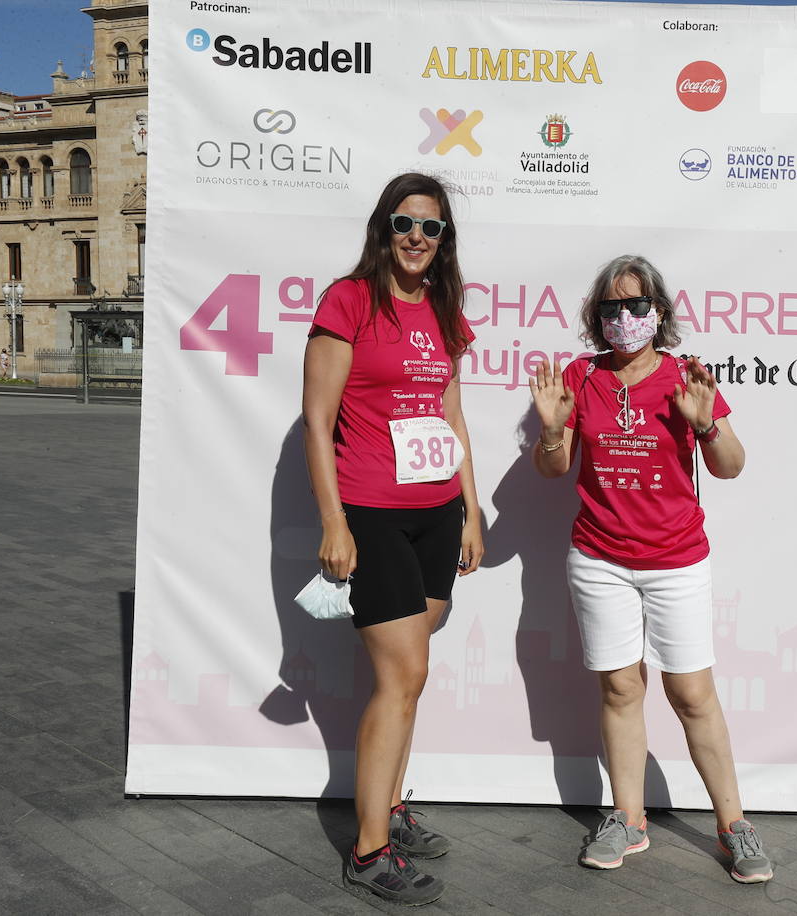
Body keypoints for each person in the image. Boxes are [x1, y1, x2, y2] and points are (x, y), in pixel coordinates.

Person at [528, 255, 773, 884]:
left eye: (638, 306)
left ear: (659, 313)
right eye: (612, 307)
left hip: (676, 560)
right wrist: (553, 431)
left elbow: (732, 465)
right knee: (620, 688)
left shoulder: (683, 377)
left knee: (691, 693)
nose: (625, 318)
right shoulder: (580, 377)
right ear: (597, 316)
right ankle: (628, 818)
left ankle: (734, 825)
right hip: (600, 558)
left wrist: (708, 421)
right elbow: (554, 469)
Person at [302, 172, 482, 906]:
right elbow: (317, 420)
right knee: (402, 675)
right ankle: (369, 848)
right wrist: (334, 520)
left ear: (444, 242)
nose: (417, 237)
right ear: (385, 228)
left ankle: (392, 807)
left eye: (431, 228)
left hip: (437, 510)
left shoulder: (443, 309)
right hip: (372, 510)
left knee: (413, 673)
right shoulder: (347, 301)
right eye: (405, 223)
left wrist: (471, 510)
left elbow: (452, 415)